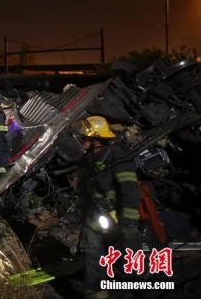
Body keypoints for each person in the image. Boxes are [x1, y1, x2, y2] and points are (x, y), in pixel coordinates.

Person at [76, 116, 142, 299]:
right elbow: (85, 191)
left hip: (117, 219)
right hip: (95, 218)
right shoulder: (88, 160)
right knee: (93, 258)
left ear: (96, 139)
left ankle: (141, 290)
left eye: (85, 138)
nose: (82, 141)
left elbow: (130, 189)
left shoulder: (116, 156)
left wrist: (128, 222)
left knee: (127, 259)